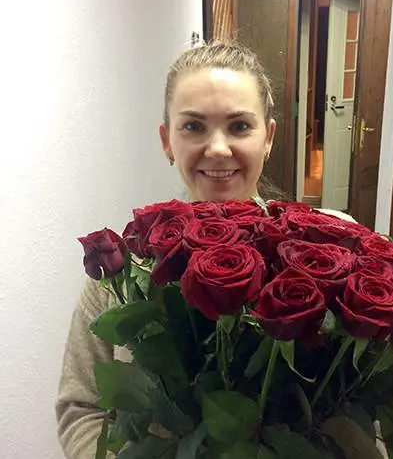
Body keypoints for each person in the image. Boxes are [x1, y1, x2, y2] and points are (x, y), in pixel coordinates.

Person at [55, 40, 356, 458]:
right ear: (167, 141)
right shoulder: (123, 270)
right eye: (194, 127)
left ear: (268, 137)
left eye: (240, 126)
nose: (217, 149)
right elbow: (81, 407)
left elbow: (367, 414)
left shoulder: (333, 250)